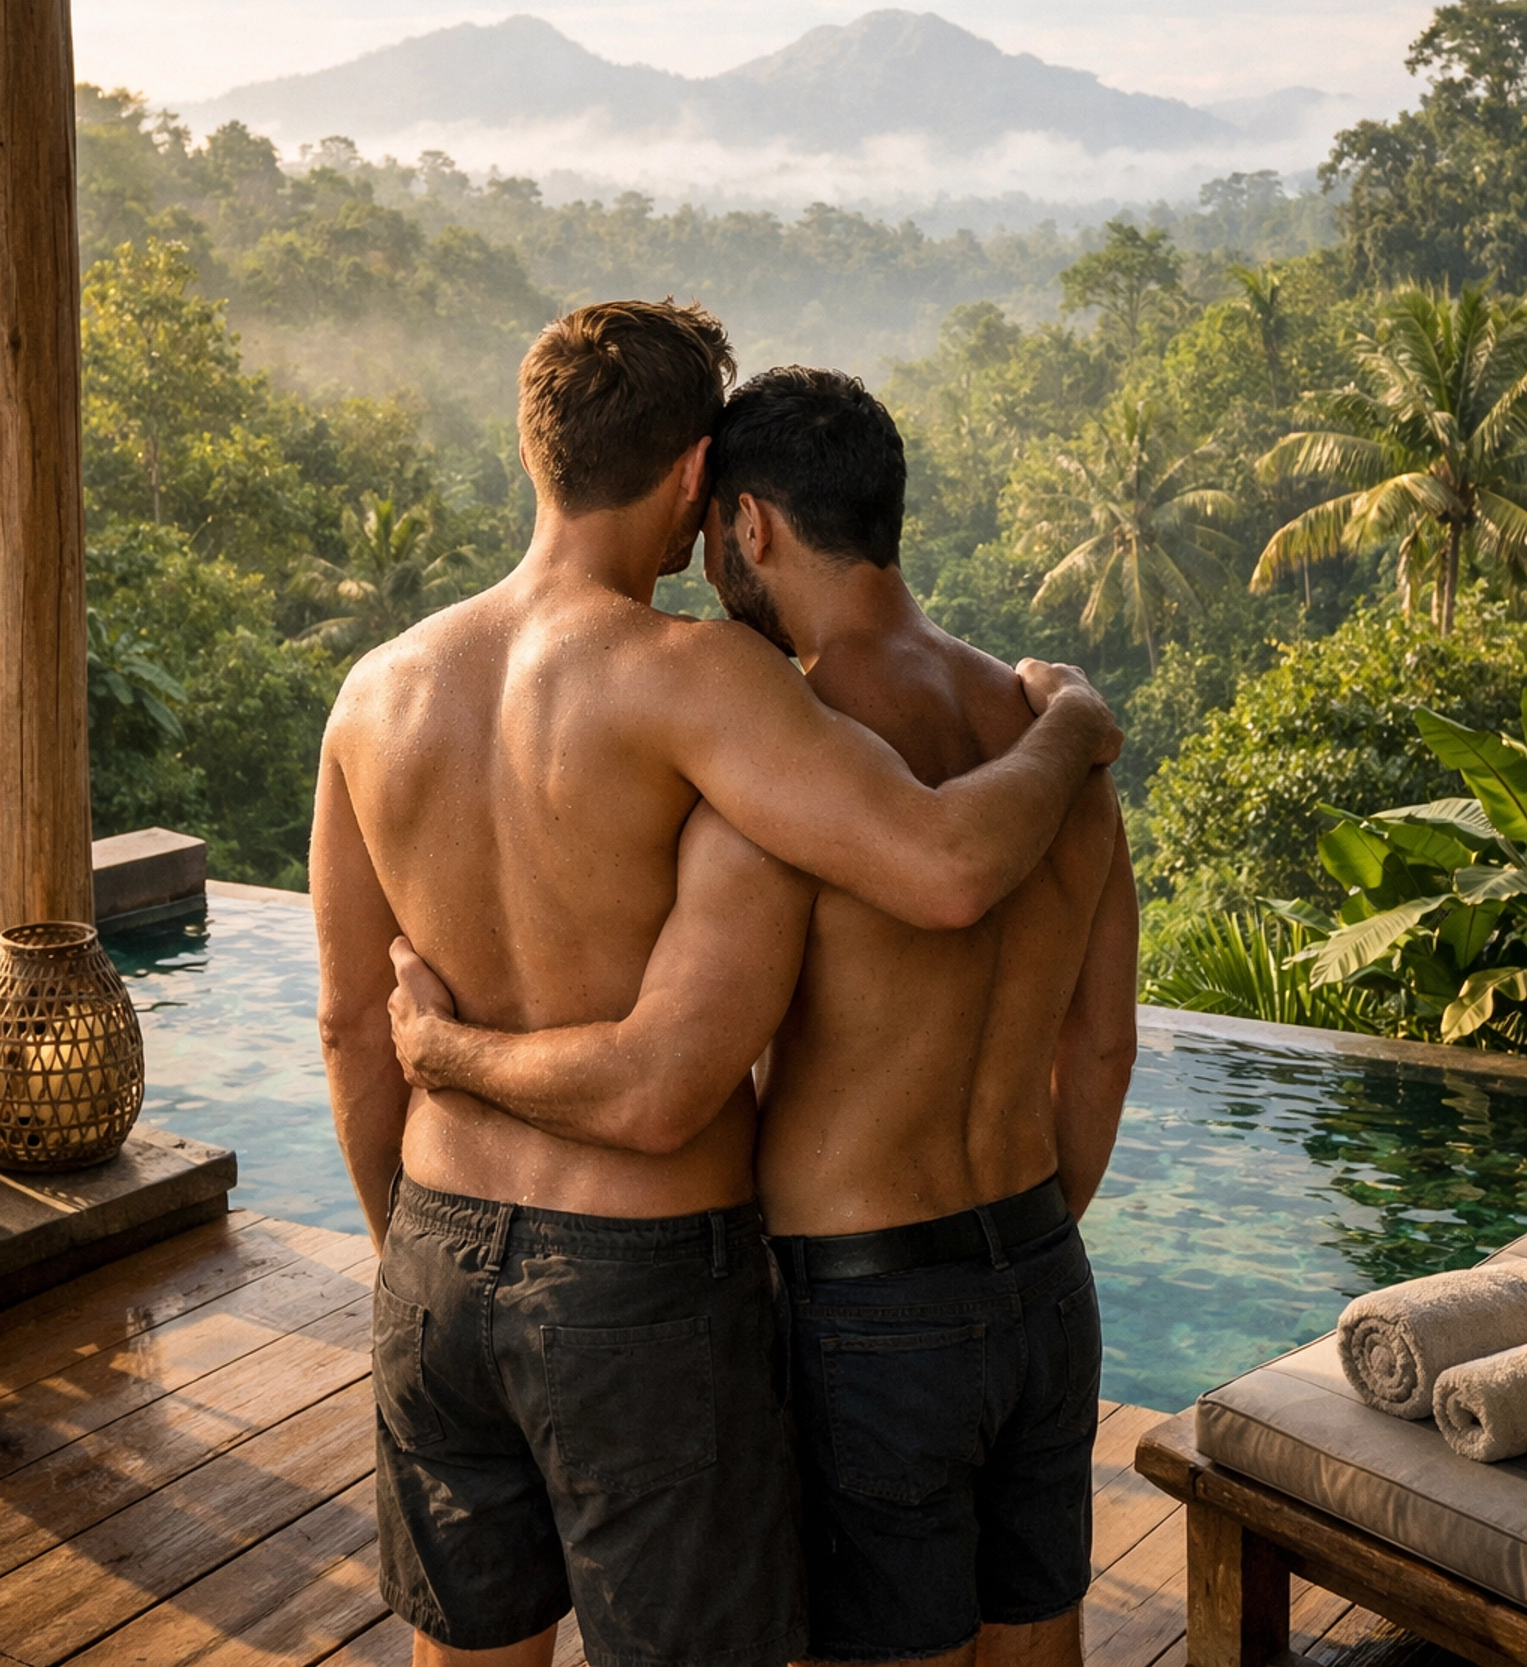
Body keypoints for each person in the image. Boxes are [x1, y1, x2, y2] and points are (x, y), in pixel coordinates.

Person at [312, 304, 1122, 1667]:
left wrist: (411, 1238)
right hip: (643, 1276)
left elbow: (348, 1025)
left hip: (435, 1253)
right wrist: (1075, 730)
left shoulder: (371, 692)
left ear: (536, 450)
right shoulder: (707, 684)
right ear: (698, 482)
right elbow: (945, 887)